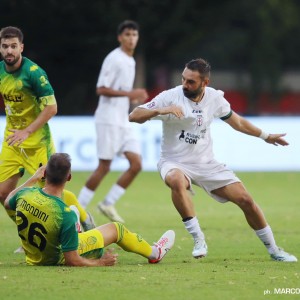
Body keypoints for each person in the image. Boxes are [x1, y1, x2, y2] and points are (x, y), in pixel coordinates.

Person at [129, 58, 297, 262]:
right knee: (175, 180)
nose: (185, 84)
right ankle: (198, 238)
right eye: (183, 79)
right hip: (174, 161)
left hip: (206, 163)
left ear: (204, 83)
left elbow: (238, 123)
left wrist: (266, 136)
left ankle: (274, 250)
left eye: (191, 81)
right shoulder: (170, 96)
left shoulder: (215, 98)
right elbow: (134, 115)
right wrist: (159, 110)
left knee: (245, 200)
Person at [0, 26, 94, 237]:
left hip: (37, 143)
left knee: (52, 191)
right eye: (5, 46)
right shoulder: (0, 72)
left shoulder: (34, 74)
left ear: (21, 47)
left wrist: (27, 131)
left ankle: (84, 217)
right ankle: (30, 233)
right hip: (12, 142)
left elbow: (52, 108)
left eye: (13, 46)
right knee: (4, 194)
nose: (9, 51)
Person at [4, 153, 175, 266]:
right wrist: (101, 262)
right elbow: (72, 260)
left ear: (44, 174)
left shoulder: (24, 194)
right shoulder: (64, 214)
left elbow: (7, 201)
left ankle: (79, 229)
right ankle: (155, 253)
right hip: (57, 258)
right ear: (69, 177)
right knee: (117, 229)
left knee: (73, 209)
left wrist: (33, 179)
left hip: (33, 257)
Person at [77, 20, 148, 223]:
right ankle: (78, 211)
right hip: (108, 119)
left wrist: (131, 97)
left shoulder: (130, 60)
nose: (131, 38)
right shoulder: (114, 58)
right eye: (127, 35)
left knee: (136, 164)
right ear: (120, 37)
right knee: (104, 166)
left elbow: (120, 91)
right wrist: (130, 93)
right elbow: (101, 88)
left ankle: (108, 203)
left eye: (134, 35)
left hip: (123, 120)